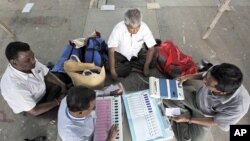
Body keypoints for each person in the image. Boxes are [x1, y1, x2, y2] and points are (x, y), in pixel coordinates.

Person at [163, 63, 250, 141]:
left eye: (207, 84)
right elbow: (204, 75)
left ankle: (184, 114)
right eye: (206, 78)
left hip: (204, 116)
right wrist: (186, 77)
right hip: (195, 98)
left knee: (188, 139)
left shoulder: (239, 107)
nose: (204, 81)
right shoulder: (217, 70)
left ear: (222, 92)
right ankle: (184, 112)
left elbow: (215, 121)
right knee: (166, 93)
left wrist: (188, 119)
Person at [0, 41, 67, 116]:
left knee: (61, 78)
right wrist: (58, 101)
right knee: (62, 112)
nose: (33, 61)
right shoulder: (14, 88)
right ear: (14, 63)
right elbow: (34, 111)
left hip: (40, 89)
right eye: (27, 60)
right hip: (33, 106)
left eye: (33, 56)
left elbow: (46, 73)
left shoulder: (30, 61)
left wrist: (62, 85)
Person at [108, 8, 157, 80]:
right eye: (131, 28)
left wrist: (146, 66)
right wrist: (112, 71)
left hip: (137, 52)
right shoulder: (118, 29)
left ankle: (128, 66)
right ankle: (132, 67)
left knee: (153, 61)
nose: (135, 31)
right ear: (126, 24)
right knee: (109, 66)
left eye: (138, 27)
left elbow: (151, 48)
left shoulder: (144, 27)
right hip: (120, 54)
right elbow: (111, 51)